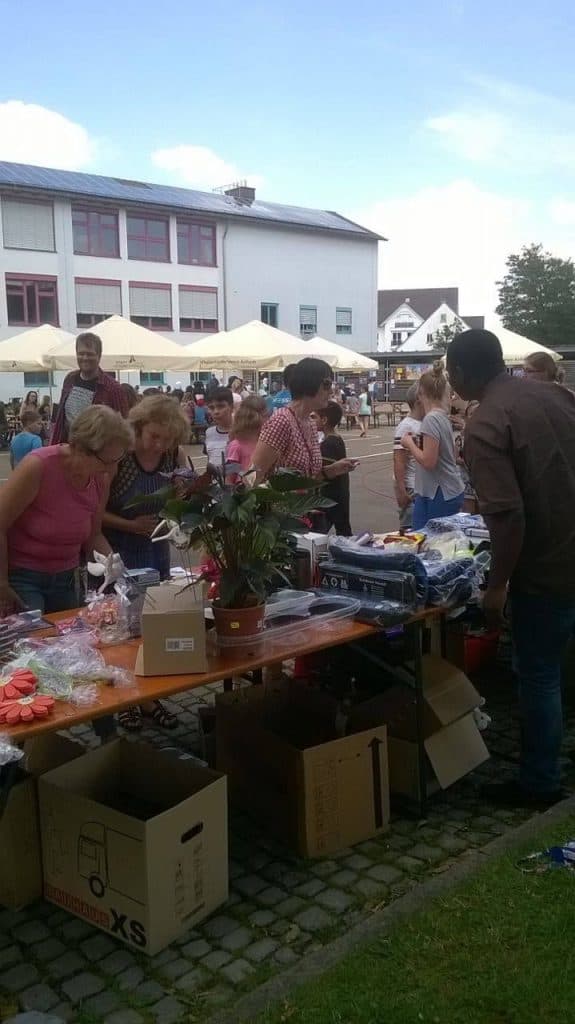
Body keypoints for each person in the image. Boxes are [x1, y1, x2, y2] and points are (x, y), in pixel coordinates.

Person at [447, 328, 575, 809]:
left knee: (539, 674)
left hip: (545, 571)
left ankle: (540, 783)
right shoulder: (555, 393)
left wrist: (497, 585)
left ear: (460, 373)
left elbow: (508, 515)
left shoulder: (486, 423)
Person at [0, 406, 132, 616]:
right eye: (107, 462)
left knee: (71, 633)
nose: (112, 470)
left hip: (67, 578)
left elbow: (94, 534)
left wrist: (114, 564)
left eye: (117, 461)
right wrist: (2, 583)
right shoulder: (38, 466)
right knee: (32, 634)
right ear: (80, 448)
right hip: (23, 577)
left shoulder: (101, 477)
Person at [103, 393, 190, 580]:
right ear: (139, 426)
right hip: (116, 550)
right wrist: (130, 525)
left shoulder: (174, 455)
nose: (159, 446)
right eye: (154, 436)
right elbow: (94, 512)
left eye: (167, 439)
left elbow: (180, 502)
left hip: (157, 549)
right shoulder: (120, 456)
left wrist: (181, 496)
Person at [252, 358, 357, 485]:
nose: (331, 391)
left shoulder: (310, 423)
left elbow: (307, 478)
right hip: (281, 498)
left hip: (307, 498)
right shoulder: (281, 421)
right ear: (309, 383)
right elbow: (253, 475)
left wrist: (332, 470)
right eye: (327, 384)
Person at [401, 362, 464, 530]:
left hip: (439, 492)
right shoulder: (442, 416)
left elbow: (429, 461)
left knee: (430, 539)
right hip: (438, 489)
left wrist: (409, 444)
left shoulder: (431, 419)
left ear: (420, 393)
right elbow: (448, 454)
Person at [51, 332, 129, 443]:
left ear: (99, 356)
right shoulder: (70, 379)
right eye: (81, 353)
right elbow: (61, 419)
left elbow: (123, 427)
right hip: (68, 447)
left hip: (97, 449)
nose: (85, 358)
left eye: (90, 354)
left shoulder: (113, 388)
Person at [317, 401, 352, 535]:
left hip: (330, 496)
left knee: (317, 531)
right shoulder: (337, 439)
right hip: (340, 493)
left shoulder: (328, 444)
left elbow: (325, 472)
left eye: (314, 417)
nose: (311, 420)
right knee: (343, 529)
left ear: (324, 420)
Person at [393, 383, 422, 532]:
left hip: (421, 486)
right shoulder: (406, 426)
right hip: (411, 487)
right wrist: (401, 490)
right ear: (419, 401)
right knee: (410, 528)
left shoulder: (424, 423)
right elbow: (399, 460)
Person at [226, 396, 268, 476]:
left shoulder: (265, 443)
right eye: (265, 416)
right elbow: (230, 478)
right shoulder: (236, 446)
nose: (268, 420)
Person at [204, 387, 234, 469]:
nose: (216, 411)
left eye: (221, 406)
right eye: (211, 408)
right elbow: (210, 460)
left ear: (231, 407)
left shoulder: (243, 432)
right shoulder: (209, 433)